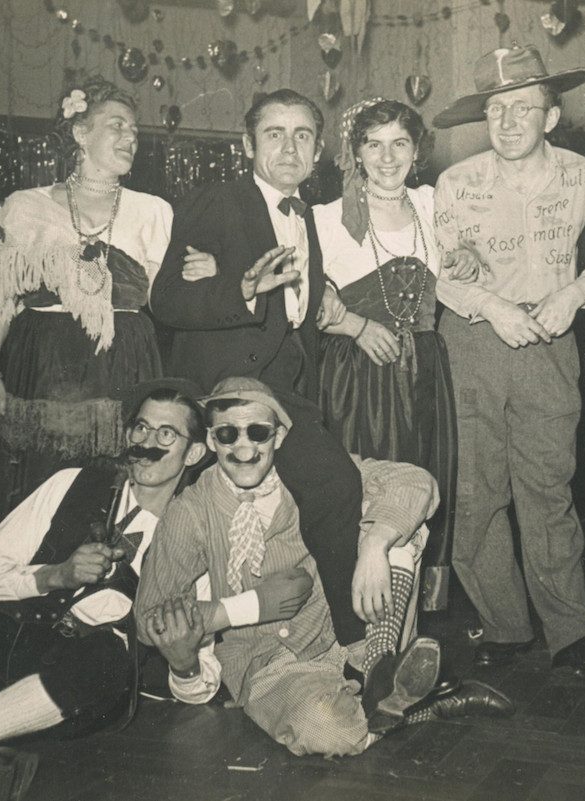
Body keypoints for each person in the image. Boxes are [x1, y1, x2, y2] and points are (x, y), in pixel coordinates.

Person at [0, 379, 315, 800]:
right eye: (140, 427)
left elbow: (194, 659)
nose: (145, 444)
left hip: (71, 681)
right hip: (8, 641)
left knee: (111, 661)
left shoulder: (198, 528)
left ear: (197, 451)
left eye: (166, 436)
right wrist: (52, 575)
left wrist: (183, 660)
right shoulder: (74, 482)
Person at [136, 377, 513, 757]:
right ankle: (421, 706)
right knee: (329, 732)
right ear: (212, 441)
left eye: (258, 432)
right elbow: (148, 616)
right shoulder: (190, 511)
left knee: (396, 519)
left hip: (350, 634)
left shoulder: (311, 474)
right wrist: (224, 614)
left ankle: (381, 663)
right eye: (229, 434)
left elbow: (416, 481)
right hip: (271, 664)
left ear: (279, 437)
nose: (244, 447)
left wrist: (373, 547)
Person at [431, 45, 585, 674]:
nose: (510, 122)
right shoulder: (455, 184)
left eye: (524, 108)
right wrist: (493, 307)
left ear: (550, 115)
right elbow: (438, 274)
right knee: (475, 494)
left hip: (551, 338)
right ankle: (505, 625)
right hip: (473, 340)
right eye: (497, 110)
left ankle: (572, 632)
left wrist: (575, 294)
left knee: (548, 486)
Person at [150, 89, 370, 648]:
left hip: (284, 390)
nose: (289, 147)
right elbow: (168, 299)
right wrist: (241, 288)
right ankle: (169, 642)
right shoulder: (218, 201)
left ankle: (344, 643)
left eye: (302, 135)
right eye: (275, 133)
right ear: (248, 144)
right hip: (220, 390)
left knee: (331, 485)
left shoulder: (309, 219)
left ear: (318, 151)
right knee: (191, 517)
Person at [0, 78, 169, 524]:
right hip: (42, 365)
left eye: (135, 131)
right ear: (80, 133)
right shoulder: (24, 206)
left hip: (125, 364)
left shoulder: (154, 210)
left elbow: (170, 300)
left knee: (115, 484)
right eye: (117, 126)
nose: (130, 138)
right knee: (38, 487)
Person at [313, 98, 484, 609]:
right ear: (356, 153)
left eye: (400, 144)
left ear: (417, 153)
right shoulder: (325, 217)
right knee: (364, 491)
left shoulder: (435, 203)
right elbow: (307, 304)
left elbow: (470, 250)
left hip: (425, 372)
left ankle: (408, 622)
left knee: (422, 484)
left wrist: (471, 254)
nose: (387, 158)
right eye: (373, 144)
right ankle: (355, 619)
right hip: (357, 377)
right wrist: (354, 325)